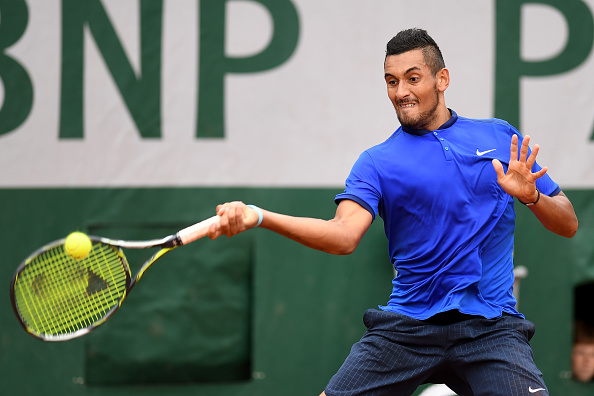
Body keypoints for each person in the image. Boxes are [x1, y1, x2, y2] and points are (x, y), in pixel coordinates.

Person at [207, 28, 579, 396]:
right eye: (391, 81)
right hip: (407, 327)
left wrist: (533, 198)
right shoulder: (376, 162)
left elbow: (568, 224)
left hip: (491, 327)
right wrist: (260, 215)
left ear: (442, 79)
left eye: (412, 79)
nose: (401, 92)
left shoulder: (499, 137)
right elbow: (343, 235)